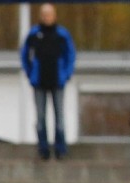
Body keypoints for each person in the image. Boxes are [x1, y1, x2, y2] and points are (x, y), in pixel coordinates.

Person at [21, 3, 77, 162]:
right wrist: (30, 73)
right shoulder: (34, 34)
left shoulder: (62, 34)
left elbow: (70, 55)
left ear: (55, 15)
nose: (47, 17)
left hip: (57, 80)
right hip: (39, 81)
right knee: (40, 116)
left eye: (50, 14)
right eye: (44, 14)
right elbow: (25, 54)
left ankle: (60, 148)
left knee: (59, 116)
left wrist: (66, 74)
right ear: (40, 16)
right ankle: (43, 148)